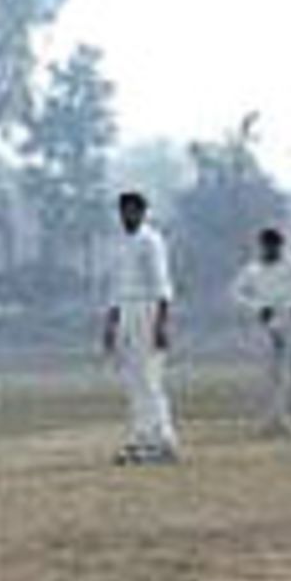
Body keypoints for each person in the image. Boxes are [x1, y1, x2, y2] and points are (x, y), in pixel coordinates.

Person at [103, 191, 179, 463]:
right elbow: (115, 287)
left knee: (149, 378)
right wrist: (111, 323)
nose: (127, 216)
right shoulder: (120, 243)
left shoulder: (151, 240)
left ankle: (162, 441)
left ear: (143, 213)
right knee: (133, 380)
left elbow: (163, 286)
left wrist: (161, 324)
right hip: (125, 311)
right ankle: (140, 437)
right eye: (124, 210)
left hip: (147, 310)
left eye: (133, 211)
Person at [230, 226, 291, 435]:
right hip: (268, 323)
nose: (273, 250)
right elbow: (236, 294)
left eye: (277, 246)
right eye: (269, 246)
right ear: (262, 246)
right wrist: (257, 308)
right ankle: (275, 420)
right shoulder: (253, 270)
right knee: (272, 374)